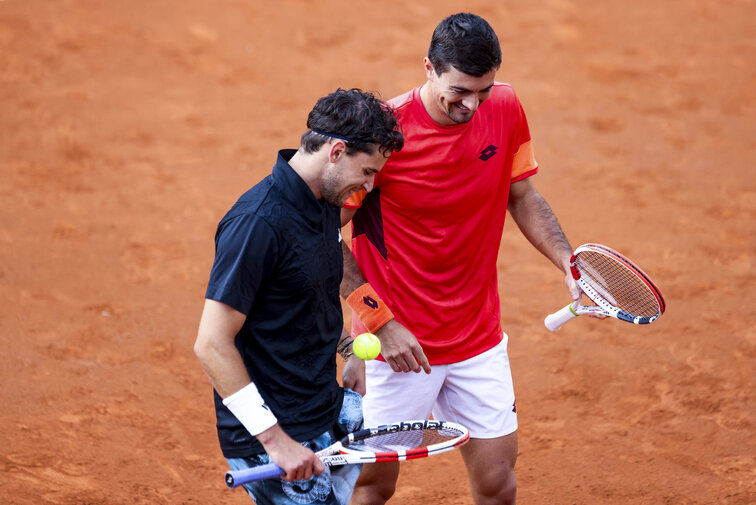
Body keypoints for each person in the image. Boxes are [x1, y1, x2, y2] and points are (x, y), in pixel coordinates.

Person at [340, 13, 587, 505]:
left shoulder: (507, 107)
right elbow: (325, 238)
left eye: (484, 91)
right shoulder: (384, 134)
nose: (472, 105)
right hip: (398, 346)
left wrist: (566, 258)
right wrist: (373, 326)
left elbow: (522, 195)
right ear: (428, 68)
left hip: (478, 338)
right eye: (459, 91)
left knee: (497, 485)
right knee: (373, 486)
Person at [194, 88, 403, 505]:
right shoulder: (257, 224)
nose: (370, 183)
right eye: (367, 170)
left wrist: (347, 349)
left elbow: (305, 297)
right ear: (336, 151)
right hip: (274, 430)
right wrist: (275, 441)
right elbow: (211, 344)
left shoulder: (324, 201)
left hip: (321, 406)